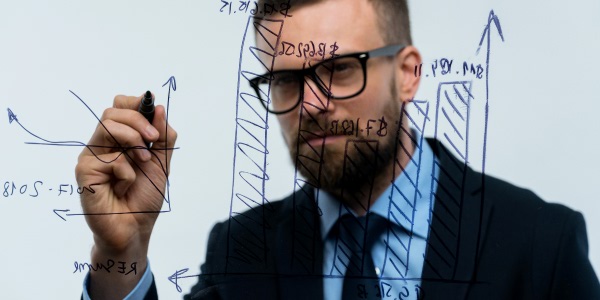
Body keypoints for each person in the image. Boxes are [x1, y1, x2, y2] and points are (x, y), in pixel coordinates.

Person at [76, 0, 600, 299]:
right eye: (285, 79)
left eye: (339, 69)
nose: (311, 104)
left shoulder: (539, 245)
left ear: (409, 73)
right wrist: (121, 256)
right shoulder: (241, 254)